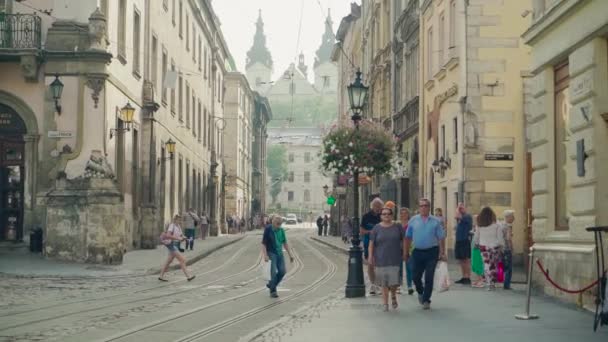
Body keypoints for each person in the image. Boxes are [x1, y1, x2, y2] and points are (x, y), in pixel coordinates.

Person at [404, 198, 446, 310]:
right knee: (415, 276)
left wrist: (442, 252)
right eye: (421, 206)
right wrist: (406, 252)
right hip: (417, 251)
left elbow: (441, 238)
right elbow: (407, 237)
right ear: (419, 208)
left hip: (432, 251)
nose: (423, 208)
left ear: (429, 207)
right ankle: (420, 292)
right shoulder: (413, 220)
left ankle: (426, 299)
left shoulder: (435, 221)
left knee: (429, 276)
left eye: (426, 205)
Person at [369, 207, 403, 311]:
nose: (386, 215)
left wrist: (405, 252)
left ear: (392, 215)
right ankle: (385, 304)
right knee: (384, 282)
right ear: (381, 216)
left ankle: (393, 295)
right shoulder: (376, 228)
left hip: (394, 258)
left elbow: (404, 240)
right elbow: (371, 244)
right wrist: (371, 256)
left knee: (393, 282)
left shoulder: (397, 227)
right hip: (381, 258)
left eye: (388, 214)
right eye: (384, 214)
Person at [261, 216, 295, 298]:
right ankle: (273, 291)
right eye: (277, 224)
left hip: (279, 253)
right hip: (271, 252)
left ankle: (272, 284)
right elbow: (263, 243)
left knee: (282, 271)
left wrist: (290, 254)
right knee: (272, 273)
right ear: (273, 223)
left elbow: (285, 243)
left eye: (280, 224)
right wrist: (265, 255)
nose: (279, 226)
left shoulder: (282, 231)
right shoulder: (268, 229)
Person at [473, 207, 505, 290]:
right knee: (496, 264)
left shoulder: (479, 226)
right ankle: (495, 281)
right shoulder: (497, 226)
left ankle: (488, 282)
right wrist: (502, 246)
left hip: (483, 247)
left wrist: (476, 244)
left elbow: (476, 237)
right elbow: (500, 238)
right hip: (495, 247)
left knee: (486, 264)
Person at [159, 214, 195, 282]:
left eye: (180, 219)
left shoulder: (178, 226)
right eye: (178, 219)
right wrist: (178, 238)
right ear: (175, 219)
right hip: (172, 245)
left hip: (175, 244)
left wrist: (184, 238)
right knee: (182, 260)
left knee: (168, 261)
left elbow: (181, 235)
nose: (180, 221)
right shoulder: (171, 226)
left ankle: (161, 276)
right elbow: (168, 235)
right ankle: (188, 277)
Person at [361, 198, 384, 295]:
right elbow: (361, 231)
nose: (377, 208)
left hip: (381, 244)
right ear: (372, 206)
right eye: (376, 206)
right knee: (370, 265)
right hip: (368, 243)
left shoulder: (383, 216)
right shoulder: (366, 216)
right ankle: (373, 284)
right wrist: (371, 232)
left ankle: (378, 285)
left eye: (379, 206)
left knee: (379, 265)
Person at [454, 203, 473, 285]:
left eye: (462, 208)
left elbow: (457, 216)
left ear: (465, 208)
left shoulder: (467, 216)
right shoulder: (461, 218)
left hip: (464, 240)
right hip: (459, 240)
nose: (460, 209)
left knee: (466, 260)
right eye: (459, 208)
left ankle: (468, 277)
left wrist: (458, 208)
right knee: (461, 260)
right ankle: (464, 276)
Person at [399, 207, 414, 295]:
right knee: (399, 268)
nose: (403, 215)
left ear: (408, 215)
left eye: (405, 213)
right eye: (402, 213)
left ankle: (410, 286)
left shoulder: (411, 224)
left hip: (409, 247)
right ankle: (399, 286)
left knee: (409, 268)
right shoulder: (397, 224)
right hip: (398, 248)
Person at [500, 210, 515, 290]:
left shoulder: (501, 224)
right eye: (512, 216)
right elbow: (509, 238)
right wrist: (511, 248)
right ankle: (506, 285)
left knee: (501, 265)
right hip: (506, 248)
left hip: (501, 248)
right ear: (508, 217)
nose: (514, 218)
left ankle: (500, 280)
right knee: (509, 268)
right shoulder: (509, 226)